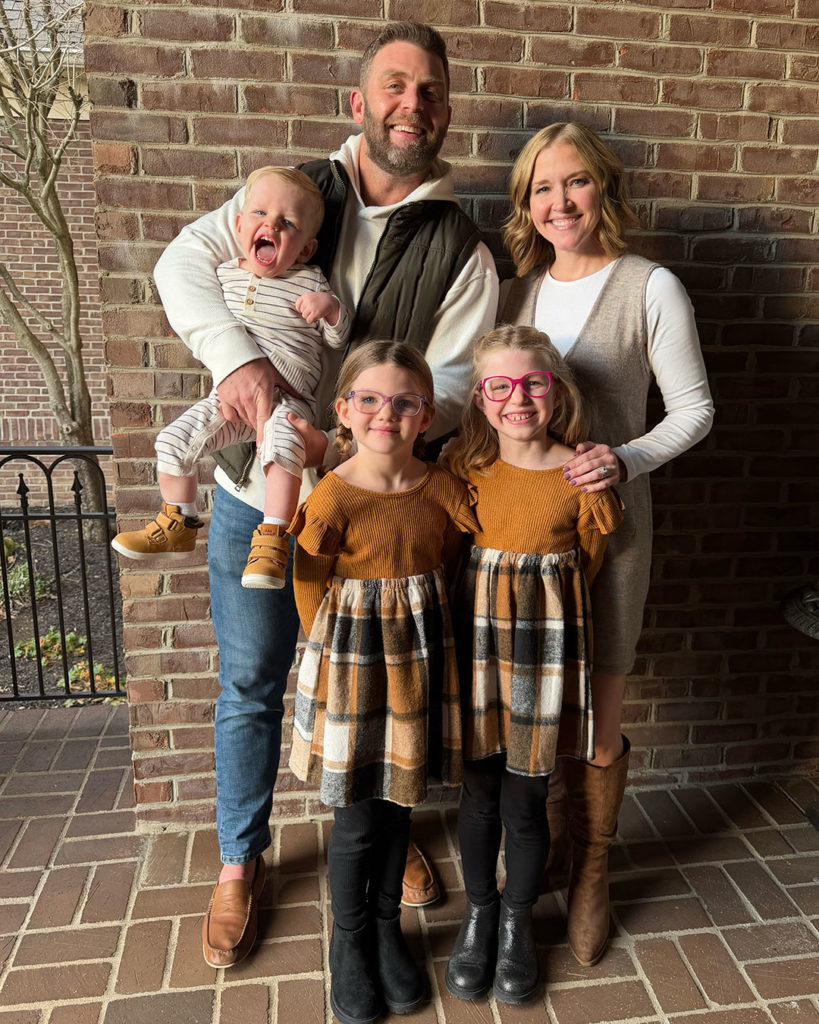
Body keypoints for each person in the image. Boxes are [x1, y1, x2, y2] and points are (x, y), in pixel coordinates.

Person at [152, 22, 498, 969]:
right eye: (393, 86)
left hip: (374, 503)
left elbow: (458, 386)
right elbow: (181, 268)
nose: (410, 106)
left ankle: (384, 839)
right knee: (254, 678)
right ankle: (239, 862)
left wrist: (342, 441)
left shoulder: (461, 245)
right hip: (242, 487)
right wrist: (245, 366)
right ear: (359, 102)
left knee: (379, 680)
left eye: (429, 92)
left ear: (445, 113)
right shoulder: (290, 187)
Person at [499, 122, 714, 968]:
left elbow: (693, 412)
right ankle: (554, 841)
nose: (559, 203)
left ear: (604, 190)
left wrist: (622, 458)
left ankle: (593, 870)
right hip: (522, 535)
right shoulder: (514, 295)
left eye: (575, 183)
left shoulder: (649, 285)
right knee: (541, 706)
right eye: (542, 189)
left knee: (598, 713)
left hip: (609, 529)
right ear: (526, 204)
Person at [288, 340, 478, 1024]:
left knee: (401, 805)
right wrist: (334, 658)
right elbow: (307, 587)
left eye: (403, 401)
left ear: (426, 416)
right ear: (342, 410)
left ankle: (385, 927)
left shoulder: (445, 490)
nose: (384, 413)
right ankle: (348, 939)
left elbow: (450, 564)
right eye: (368, 399)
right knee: (358, 815)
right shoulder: (334, 496)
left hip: (419, 662)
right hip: (354, 666)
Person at [442, 326, 622, 1003]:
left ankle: (518, 922)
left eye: (533, 384)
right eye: (500, 386)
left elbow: (588, 566)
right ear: (480, 399)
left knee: (525, 800)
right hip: (476, 651)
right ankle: (479, 916)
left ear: (556, 392)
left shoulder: (582, 474)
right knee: (479, 792)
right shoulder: (461, 467)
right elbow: (449, 555)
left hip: (542, 658)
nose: (517, 398)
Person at [112, 167, 350, 590]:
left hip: (289, 400)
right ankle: (178, 520)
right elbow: (189, 307)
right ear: (239, 227)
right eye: (259, 212)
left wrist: (330, 308)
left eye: (288, 223)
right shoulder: (221, 275)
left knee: (282, 446)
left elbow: (338, 337)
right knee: (171, 440)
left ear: (305, 248)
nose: (271, 224)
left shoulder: (309, 281)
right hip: (235, 404)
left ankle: (273, 539)